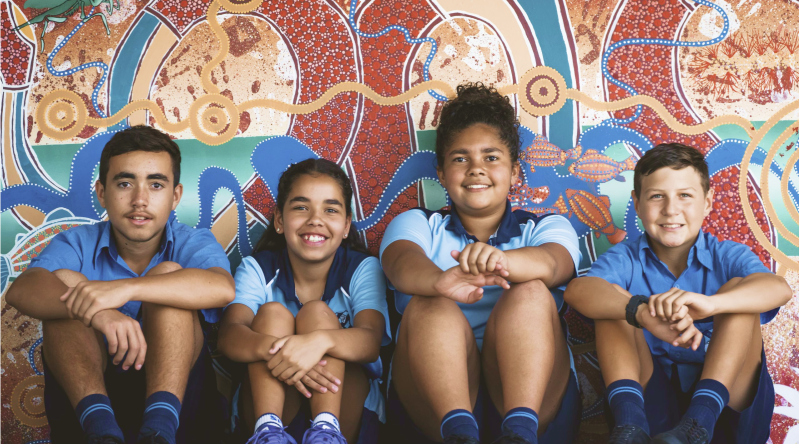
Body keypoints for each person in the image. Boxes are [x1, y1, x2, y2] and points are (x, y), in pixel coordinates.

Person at [379, 83, 583, 444]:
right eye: (460, 159)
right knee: (429, 302)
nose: (476, 169)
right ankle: (460, 431)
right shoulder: (418, 223)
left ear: (515, 171)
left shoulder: (547, 226)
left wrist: (500, 260)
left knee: (532, 291)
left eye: (491, 157)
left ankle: (519, 432)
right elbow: (399, 262)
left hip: (532, 401)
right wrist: (440, 281)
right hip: (434, 404)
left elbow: (556, 263)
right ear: (441, 174)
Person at [6, 125, 236, 444]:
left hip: (182, 416)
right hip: (89, 402)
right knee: (66, 288)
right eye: (125, 183)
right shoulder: (76, 242)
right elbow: (22, 290)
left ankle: (159, 428)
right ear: (102, 192)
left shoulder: (191, 241)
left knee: (168, 274)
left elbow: (222, 287)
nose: (139, 200)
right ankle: (102, 430)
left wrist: (127, 289)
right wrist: (99, 312)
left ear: (175, 196)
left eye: (156, 185)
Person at [564, 143, 791, 444]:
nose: (671, 210)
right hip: (650, 413)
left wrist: (711, 305)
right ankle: (628, 425)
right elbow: (578, 291)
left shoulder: (727, 255)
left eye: (685, 196)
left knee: (740, 291)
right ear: (637, 202)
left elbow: (779, 289)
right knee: (612, 299)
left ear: (707, 202)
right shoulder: (625, 258)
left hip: (727, 413)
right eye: (657, 196)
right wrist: (641, 312)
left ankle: (699, 420)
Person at [217, 158, 391, 444]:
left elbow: (371, 342)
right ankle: (267, 432)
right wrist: (280, 353)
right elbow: (229, 336)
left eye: (331, 209)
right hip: (269, 400)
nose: (315, 219)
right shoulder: (256, 268)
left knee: (318, 315)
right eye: (301, 207)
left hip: (346, 405)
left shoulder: (362, 268)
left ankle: (327, 431)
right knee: (272, 314)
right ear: (279, 220)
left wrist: (319, 343)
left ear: (346, 225)